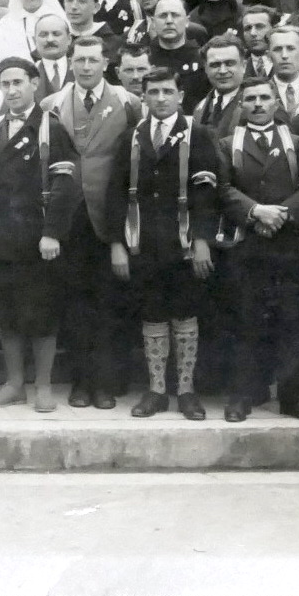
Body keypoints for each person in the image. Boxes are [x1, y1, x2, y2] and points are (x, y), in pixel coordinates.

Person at [0, 57, 80, 412]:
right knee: (6, 315)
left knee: (41, 314)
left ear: (34, 85)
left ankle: (42, 386)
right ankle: (14, 384)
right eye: (5, 84)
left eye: (18, 82)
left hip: (36, 241)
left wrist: (52, 233)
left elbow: (66, 185)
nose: (12, 90)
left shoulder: (51, 128)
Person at [108, 66, 221, 420]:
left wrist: (202, 239)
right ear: (144, 96)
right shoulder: (131, 136)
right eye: (153, 92)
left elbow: (208, 191)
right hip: (143, 243)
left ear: (180, 95)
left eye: (166, 92)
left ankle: (186, 390)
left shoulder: (197, 135)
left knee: (186, 312)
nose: (160, 99)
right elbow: (114, 194)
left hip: (184, 243)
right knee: (152, 313)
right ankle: (156, 389)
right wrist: (116, 244)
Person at [218, 74, 299, 423]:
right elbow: (221, 188)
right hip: (245, 246)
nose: (258, 104)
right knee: (244, 322)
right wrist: (255, 212)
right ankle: (241, 396)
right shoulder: (226, 144)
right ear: (240, 105)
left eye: (265, 98)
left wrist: (285, 213)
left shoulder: (297, 142)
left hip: (288, 245)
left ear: (277, 103)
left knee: (293, 322)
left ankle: (293, 398)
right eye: (250, 99)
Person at [41, 33, 139, 409]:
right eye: (79, 60)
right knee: (74, 303)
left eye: (92, 60)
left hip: (109, 216)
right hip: (69, 218)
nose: (85, 66)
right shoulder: (51, 104)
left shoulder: (127, 103)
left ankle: (105, 383)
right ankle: (80, 382)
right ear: (70, 62)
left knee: (108, 302)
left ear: (105, 64)